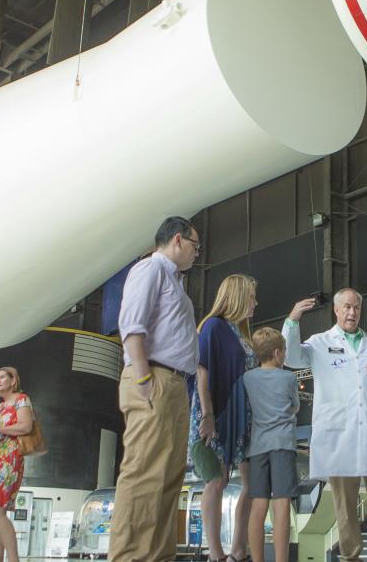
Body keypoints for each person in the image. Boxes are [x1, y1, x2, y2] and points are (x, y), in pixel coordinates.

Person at [283, 289, 367, 562]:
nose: (352, 313)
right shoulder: (320, 342)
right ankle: (351, 557)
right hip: (339, 436)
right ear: (336, 310)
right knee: (345, 507)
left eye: (357, 308)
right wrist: (293, 321)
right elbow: (290, 357)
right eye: (347, 307)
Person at [110, 216, 202, 561]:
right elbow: (132, 326)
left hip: (175, 383)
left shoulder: (173, 280)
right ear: (178, 240)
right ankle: (130, 556)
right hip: (153, 378)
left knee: (168, 479)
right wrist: (145, 379)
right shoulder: (150, 269)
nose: (197, 253)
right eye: (196, 245)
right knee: (145, 474)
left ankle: (159, 556)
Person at [191, 274, 258, 562]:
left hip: (241, 417)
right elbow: (202, 371)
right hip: (216, 413)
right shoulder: (213, 327)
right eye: (252, 296)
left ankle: (239, 548)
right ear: (239, 296)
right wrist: (207, 415)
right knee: (216, 481)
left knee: (250, 483)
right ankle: (216, 554)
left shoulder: (240, 333)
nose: (256, 302)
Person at [244, 327, 300, 562]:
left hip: (257, 447)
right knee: (281, 504)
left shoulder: (247, 378)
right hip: (283, 445)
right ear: (278, 353)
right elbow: (295, 406)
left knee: (258, 503)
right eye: (285, 351)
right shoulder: (288, 377)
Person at [0, 366, 35, 562]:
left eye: (2, 377)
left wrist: (0, 429)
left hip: (9, 459)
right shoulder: (0, 407)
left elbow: (26, 426)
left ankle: (13, 559)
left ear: (13, 380)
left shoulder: (22, 399)